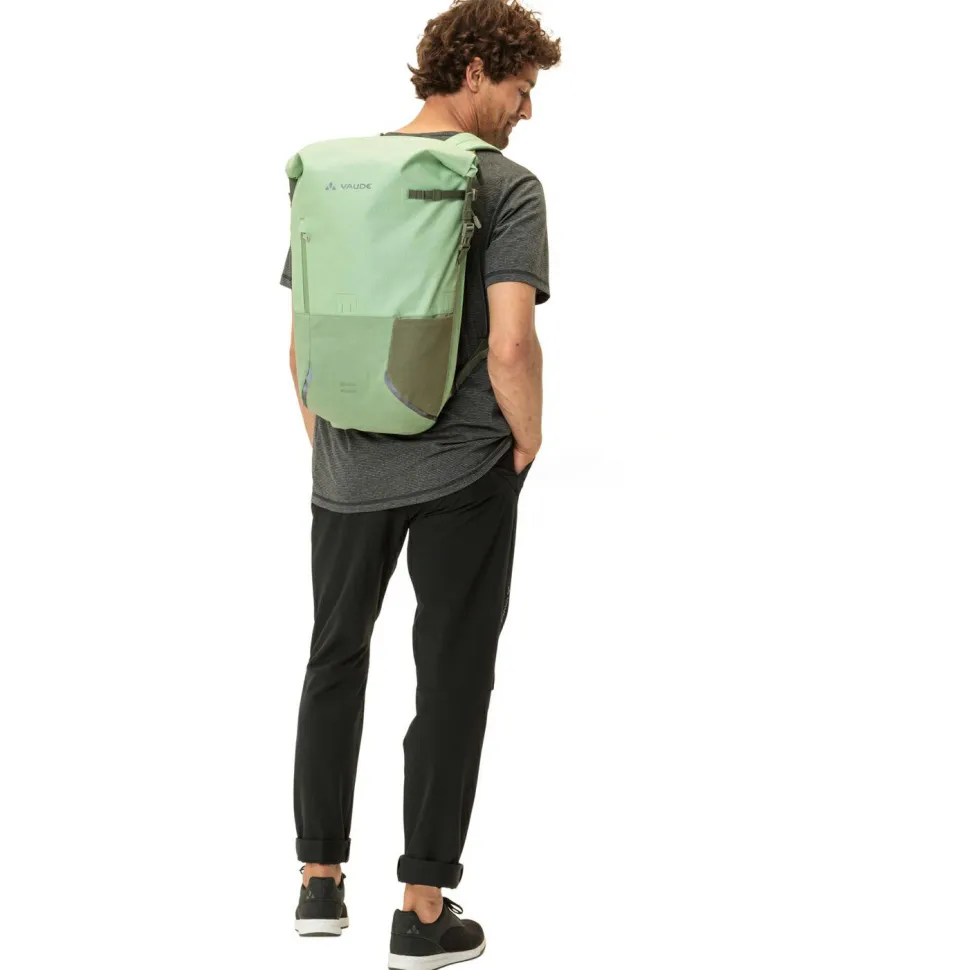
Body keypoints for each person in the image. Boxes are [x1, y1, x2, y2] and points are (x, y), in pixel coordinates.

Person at [279, 1, 560, 965]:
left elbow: (302, 344)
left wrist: (337, 446)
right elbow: (512, 343)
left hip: (344, 463)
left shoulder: (335, 175)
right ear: (476, 69)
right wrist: (526, 440)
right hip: (463, 468)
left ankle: (320, 884)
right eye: (521, 88)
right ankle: (423, 911)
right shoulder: (507, 186)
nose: (526, 110)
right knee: (451, 674)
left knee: (333, 657)